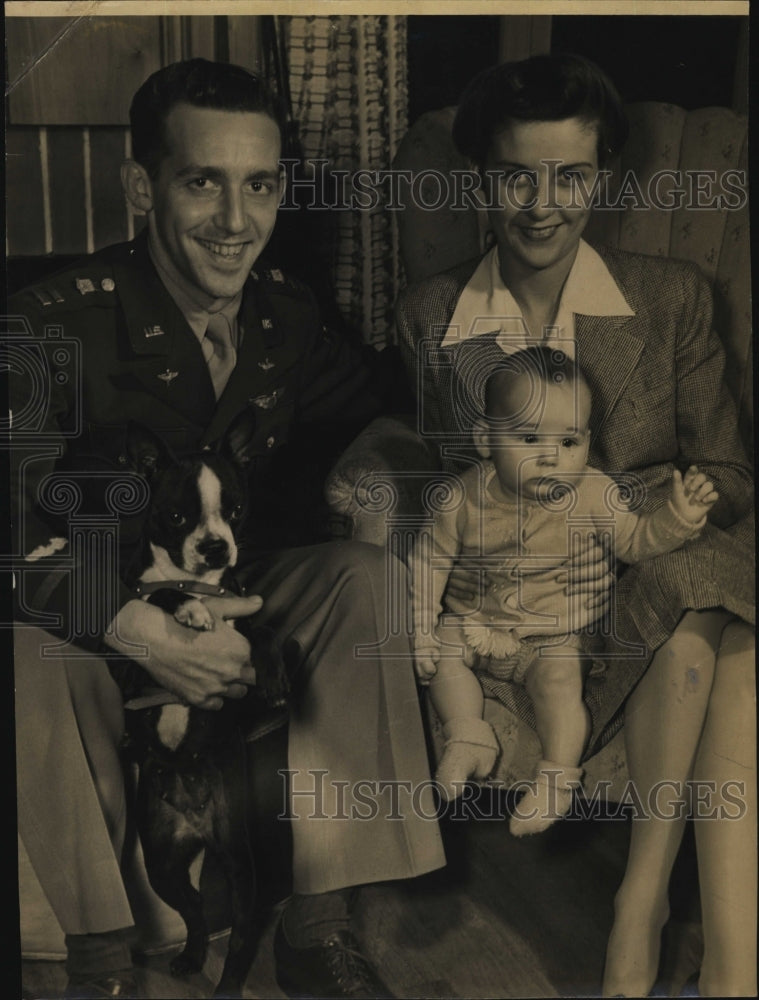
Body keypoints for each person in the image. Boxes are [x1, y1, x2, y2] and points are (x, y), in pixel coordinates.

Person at [11, 58, 451, 999]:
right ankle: (100, 963)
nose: (234, 219)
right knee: (25, 651)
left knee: (357, 580)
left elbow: (380, 399)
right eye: (202, 180)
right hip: (92, 619)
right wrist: (134, 626)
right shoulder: (48, 326)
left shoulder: (283, 317)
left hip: (225, 590)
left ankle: (316, 928)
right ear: (143, 186)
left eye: (258, 185)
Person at [396, 53, 755, 998]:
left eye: (571, 175)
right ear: (481, 177)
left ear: (603, 176)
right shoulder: (434, 315)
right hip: (527, 604)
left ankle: (643, 907)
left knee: (701, 596)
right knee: (731, 653)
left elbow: (727, 470)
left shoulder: (670, 296)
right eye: (517, 174)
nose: (542, 203)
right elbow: (448, 483)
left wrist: (646, 511)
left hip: (657, 557)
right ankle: (710, 953)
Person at [412, 346, 718, 836]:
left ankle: (556, 779)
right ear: (486, 439)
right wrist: (422, 629)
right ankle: (468, 736)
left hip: (557, 634)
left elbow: (637, 541)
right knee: (443, 660)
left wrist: (676, 519)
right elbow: (429, 562)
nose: (552, 457)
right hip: (477, 622)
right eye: (530, 437)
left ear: (587, 441)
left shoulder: (595, 493)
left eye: (569, 441)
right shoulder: (461, 498)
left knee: (560, 689)